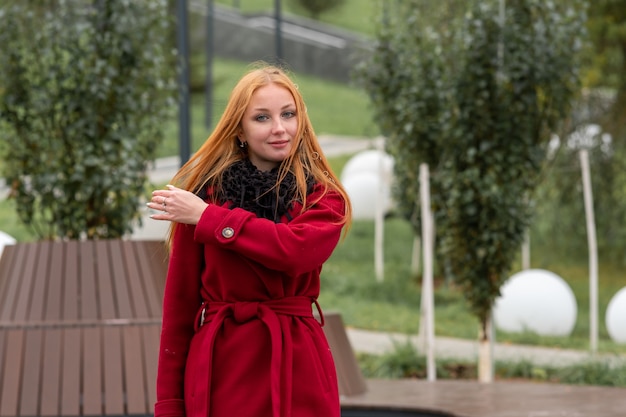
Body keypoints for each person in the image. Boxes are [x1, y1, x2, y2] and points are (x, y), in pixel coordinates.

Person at [148, 63, 352, 417]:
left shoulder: (323, 197)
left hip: (298, 367)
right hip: (221, 368)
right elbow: (178, 311)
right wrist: (169, 405)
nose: (279, 128)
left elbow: (295, 251)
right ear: (239, 130)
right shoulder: (204, 197)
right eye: (261, 118)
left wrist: (211, 219)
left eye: (288, 114)